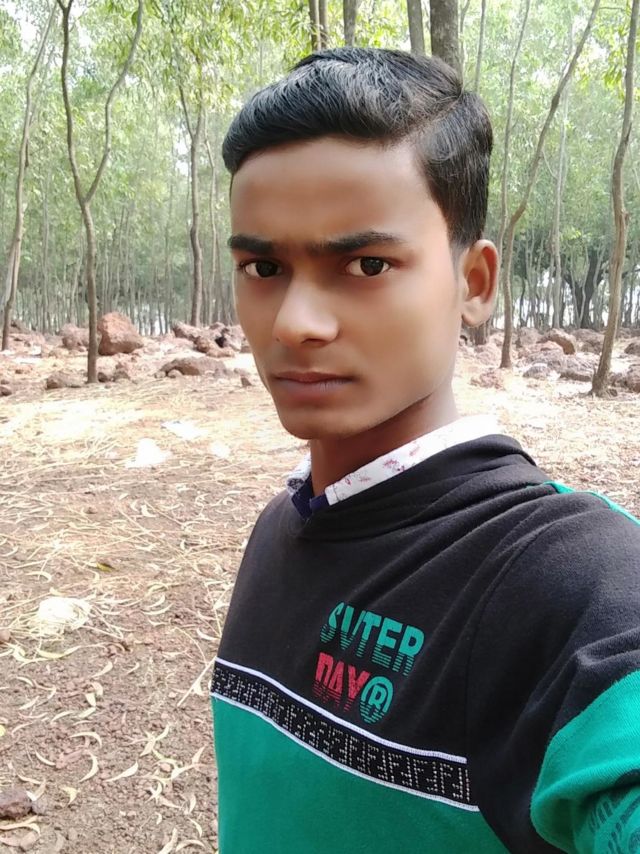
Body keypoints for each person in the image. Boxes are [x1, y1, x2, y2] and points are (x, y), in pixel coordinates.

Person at [210, 47, 640, 853]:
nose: (296, 322)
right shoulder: (282, 528)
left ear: (475, 283)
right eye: (263, 266)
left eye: (366, 264)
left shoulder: (566, 578)